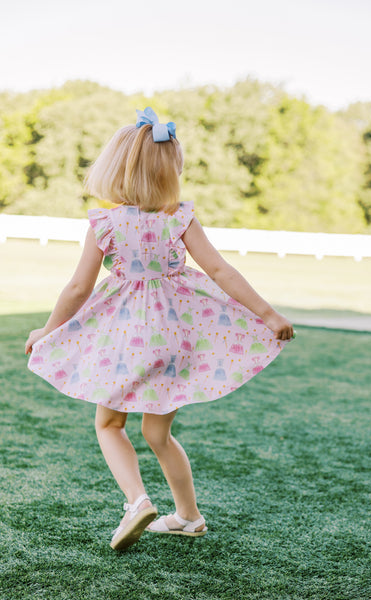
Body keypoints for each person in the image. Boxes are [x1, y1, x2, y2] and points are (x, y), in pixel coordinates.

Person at [25, 107, 294, 551]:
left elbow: (77, 288)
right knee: (157, 433)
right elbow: (220, 271)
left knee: (110, 424)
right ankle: (188, 516)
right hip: (174, 339)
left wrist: (48, 331)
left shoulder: (104, 223)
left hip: (126, 340)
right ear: (173, 172)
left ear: (115, 169)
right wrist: (268, 315)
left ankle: (137, 501)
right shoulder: (180, 217)